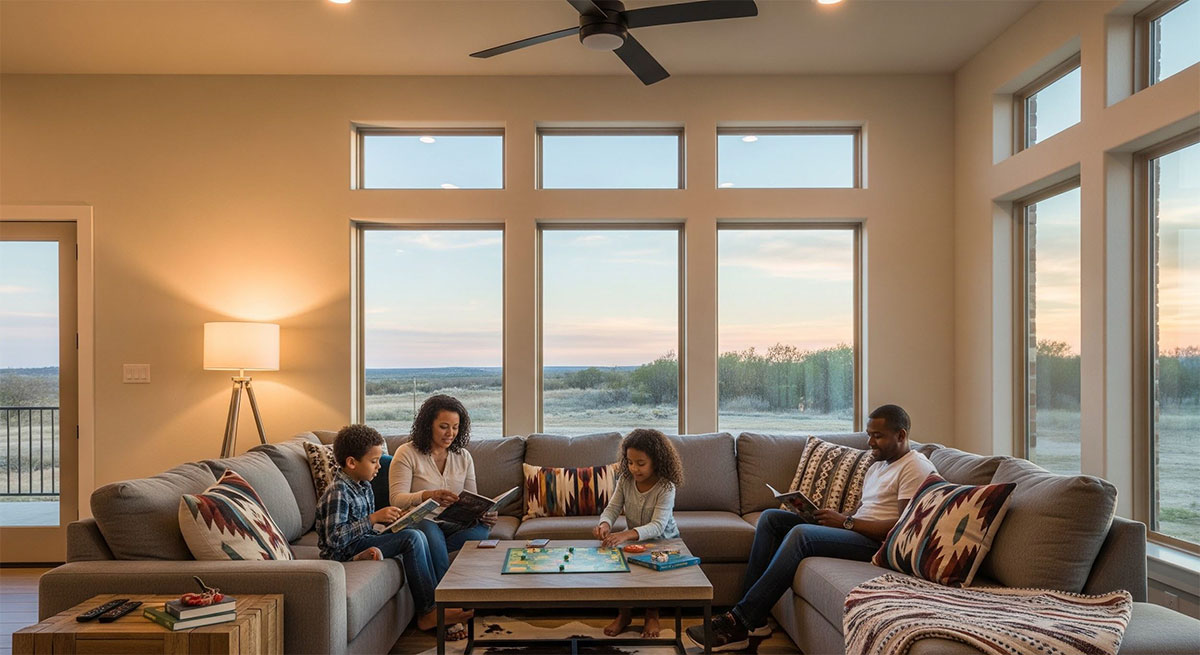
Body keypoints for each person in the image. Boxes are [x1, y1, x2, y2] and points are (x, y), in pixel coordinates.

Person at [685, 404, 937, 652]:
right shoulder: (878, 466)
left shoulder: (915, 467)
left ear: (901, 435)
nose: (870, 442)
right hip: (856, 530)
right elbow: (864, 509)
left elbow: (905, 526)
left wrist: (846, 523)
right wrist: (832, 516)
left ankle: (739, 622)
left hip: (879, 544)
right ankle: (756, 619)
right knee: (772, 518)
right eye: (869, 435)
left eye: (877, 436)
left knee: (801, 535)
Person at [315, 424, 473, 640]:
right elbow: (335, 537)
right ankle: (427, 611)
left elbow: (366, 525)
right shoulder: (338, 492)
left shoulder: (363, 485)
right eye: (373, 461)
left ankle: (437, 603)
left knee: (412, 530)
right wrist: (373, 518)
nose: (379, 466)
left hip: (363, 540)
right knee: (412, 538)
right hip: (341, 551)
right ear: (351, 462)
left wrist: (395, 520)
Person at [389, 394, 497, 581]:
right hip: (420, 520)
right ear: (428, 425)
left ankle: (426, 551)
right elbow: (396, 499)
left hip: (452, 523)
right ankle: (444, 600)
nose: (450, 434)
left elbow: (472, 497)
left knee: (482, 530)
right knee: (429, 530)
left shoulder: (463, 456)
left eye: (455, 427)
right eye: (444, 427)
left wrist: (483, 513)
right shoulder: (406, 453)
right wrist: (427, 495)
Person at [593, 428, 684, 640]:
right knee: (620, 564)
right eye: (630, 462)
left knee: (652, 571)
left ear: (657, 461)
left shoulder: (666, 486)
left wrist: (625, 535)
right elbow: (613, 508)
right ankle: (624, 614)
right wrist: (604, 524)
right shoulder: (625, 479)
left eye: (641, 463)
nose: (634, 468)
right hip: (633, 538)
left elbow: (658, 526)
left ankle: (652, 614)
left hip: (664, 541)